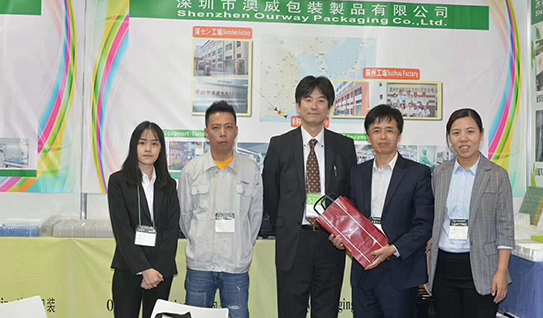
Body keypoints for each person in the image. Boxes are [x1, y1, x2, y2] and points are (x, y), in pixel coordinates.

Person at [263, 75, 357, 318]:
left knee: (327, 311)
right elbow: (271, 194)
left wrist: (342, 232)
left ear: (329, 107)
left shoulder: (344, 146)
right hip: (294, 242)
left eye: (321, 100)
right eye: (308, 99)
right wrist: (286, 224)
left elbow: (349, 194)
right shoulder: (280, 145)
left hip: (330, 242)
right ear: (298, 105)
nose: (314, 106)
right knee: (290, 311)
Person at [330, 105, 434, 318]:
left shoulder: (418, 173)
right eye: (376, 131)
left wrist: (393, 249)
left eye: (389, 130)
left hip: (400, 269)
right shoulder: (358, 173)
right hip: (364, 271)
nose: (383, 136)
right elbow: (353, 217)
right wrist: (342, 238)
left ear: (399, 135)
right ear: (369, 136)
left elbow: (424, 225)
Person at [178, 101, 263, 318]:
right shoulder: (192, 171)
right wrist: (200, 240)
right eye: (216, 128)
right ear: (207, 133)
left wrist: (243, 247)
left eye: (228, 127)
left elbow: (255, 217)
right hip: (200, 264)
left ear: (236, 131)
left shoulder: (250, 169)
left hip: (236, 265)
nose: (223, 133)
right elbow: (185, 217)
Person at [428, 108, 515, 318]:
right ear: (449, 138)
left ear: (481, 135)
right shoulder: (440, 173)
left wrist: (502, 271)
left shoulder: (497, 175)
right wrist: (429, 267)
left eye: (470, 131)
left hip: (483, 268)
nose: (463, 139)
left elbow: (505, 227)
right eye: (456, 133)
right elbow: (435, 222)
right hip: (444, 267)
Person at [107, 121, 180, 318]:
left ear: (161, 149)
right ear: (134, 146)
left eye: (154, 143)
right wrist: (144, 269)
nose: (148, 149)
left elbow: (171, 230)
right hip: (129, 269)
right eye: (142, 143)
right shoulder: (118, 182)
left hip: (160, 273)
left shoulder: (169, 185)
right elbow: (122, 230)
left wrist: (156, 271)